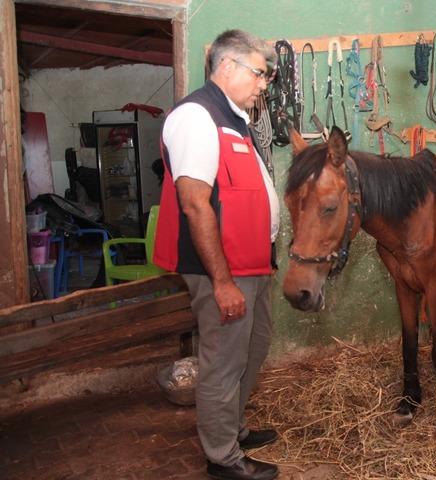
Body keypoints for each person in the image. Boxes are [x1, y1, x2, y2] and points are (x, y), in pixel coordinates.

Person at [154, 30, 281, 480]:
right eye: (260, 74)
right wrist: (223, 281)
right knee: (224, 361)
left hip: (253, 263)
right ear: (227, 67)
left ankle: (233, 429)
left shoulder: (234, 118)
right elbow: (194, 202)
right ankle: (223, 458)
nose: (264, 84)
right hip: (222, 270)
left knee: (254, 346)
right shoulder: (196, 117)